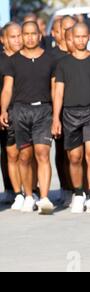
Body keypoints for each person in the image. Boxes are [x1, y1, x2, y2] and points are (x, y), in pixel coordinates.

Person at [0, 21, 56, 214]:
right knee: (24, 156)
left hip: (44, 111)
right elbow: (7, 88)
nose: (30, 37)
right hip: (20, 111)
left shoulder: (50, 59)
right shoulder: (12, 61)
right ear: (22, 36)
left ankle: (45, 198)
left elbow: (55, 89)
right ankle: (28, 195)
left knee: (42, 153)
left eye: (34, 33)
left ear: (40, 35)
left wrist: (56, 116)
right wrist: (4, 110)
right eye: (26, 34)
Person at [52, 23, 90, 214]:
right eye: (77, 37)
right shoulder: (63, 64)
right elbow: (58, 92)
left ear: (88, 37)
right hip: (70, 114)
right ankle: (79, 193)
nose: (81, 40)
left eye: (84, 36)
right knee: (74, 157)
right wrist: (56, 118)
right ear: (70, 39)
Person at [51, 15, 77, 207]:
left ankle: (81, 189)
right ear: (57, 32)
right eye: (65, 29)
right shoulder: (51, 56)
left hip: (79, 109)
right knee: (62, 152)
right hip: (58, 110)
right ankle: (65, 187)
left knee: (79, 153)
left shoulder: (83, 54)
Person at [0, 22, 23, 207]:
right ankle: (11, 189)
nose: (17, 40)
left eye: (19, 36)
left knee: (26, 153)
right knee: (8, 153)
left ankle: (32, 189)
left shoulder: (29, 58)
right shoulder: (2, 61)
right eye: (12, 37)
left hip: (26, 111)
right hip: (5, 113)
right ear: (3, 39)